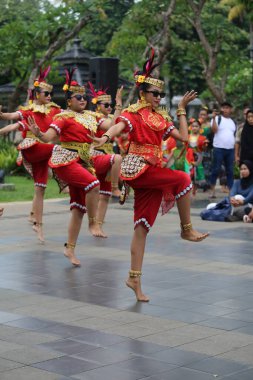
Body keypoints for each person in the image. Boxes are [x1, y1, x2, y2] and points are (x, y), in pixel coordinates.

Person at [90, 49, 209, 302]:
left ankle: (134, 278)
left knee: (142, 226)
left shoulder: (162, 117)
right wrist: (104, 137)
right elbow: (118, 127)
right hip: (137, 167)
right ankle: (186, 229)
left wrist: (181, 109)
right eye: (154, 93)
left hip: (151, 171)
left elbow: (186, 138)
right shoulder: (133, 113)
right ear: (143, 92)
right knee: (183, 180)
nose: (158, 97)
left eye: (161, 94)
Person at [27, 71, 103, 266]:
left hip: (83, 162)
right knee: (94, 185)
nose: (83, 100)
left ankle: (69, 249)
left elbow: (112, 123)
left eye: (84, 97)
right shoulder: (63, 117)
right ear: (69, 101)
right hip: (66, 161)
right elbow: (48, 137)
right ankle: (94, 223)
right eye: (78, 97)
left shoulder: (91, 116)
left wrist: (119, 110)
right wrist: (38, 133)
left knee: (78, 208)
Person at [0, 67, 60, 242]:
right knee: (58, 149)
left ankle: (38, 225)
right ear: (37, 94)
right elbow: (12, 118)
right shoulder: (29, 111)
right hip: (32, 148)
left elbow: (66, 118)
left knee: (40, 188)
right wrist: (2, 115)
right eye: (46, 93)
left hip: (43, 152)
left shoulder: (53, 111)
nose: (50, 96)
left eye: (51, 93)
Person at [87, 83, 123, 236]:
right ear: (97, 106)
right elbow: (112, 125)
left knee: (105, 195)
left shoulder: (106, 118)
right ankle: (116, 187)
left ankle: (98, 226)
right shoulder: (96, 118)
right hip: (96, 156)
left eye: (111, 104)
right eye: (106, 105)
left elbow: (116, 126)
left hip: (106, 158)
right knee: (117, 158)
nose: (109, 107)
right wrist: (119, 105)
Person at [209, 102, 236, 198]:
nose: (225, 109)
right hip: (219, 148)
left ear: (231, 109)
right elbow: (214, 130)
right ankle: (212, 190)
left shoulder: (233, 122)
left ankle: (231, 191)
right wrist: (213, 118)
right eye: (224, 107)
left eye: (227, 108)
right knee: (216, 169)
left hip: (230, 149)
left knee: (230, 171)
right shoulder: (217, 118)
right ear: (221, 109)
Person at [185, 119, 208, 195]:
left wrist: (205, 145)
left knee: (197, 173)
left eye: (196, 126)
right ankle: (189, 190)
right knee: (189, 173)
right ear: (191, 127)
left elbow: (204, 149)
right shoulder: (187, 137)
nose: (194, 128)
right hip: (189, 157)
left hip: (198, 157)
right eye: (193, 126)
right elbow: (185, 147)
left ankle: (195, 189)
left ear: (199, 128)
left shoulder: (202, 138)